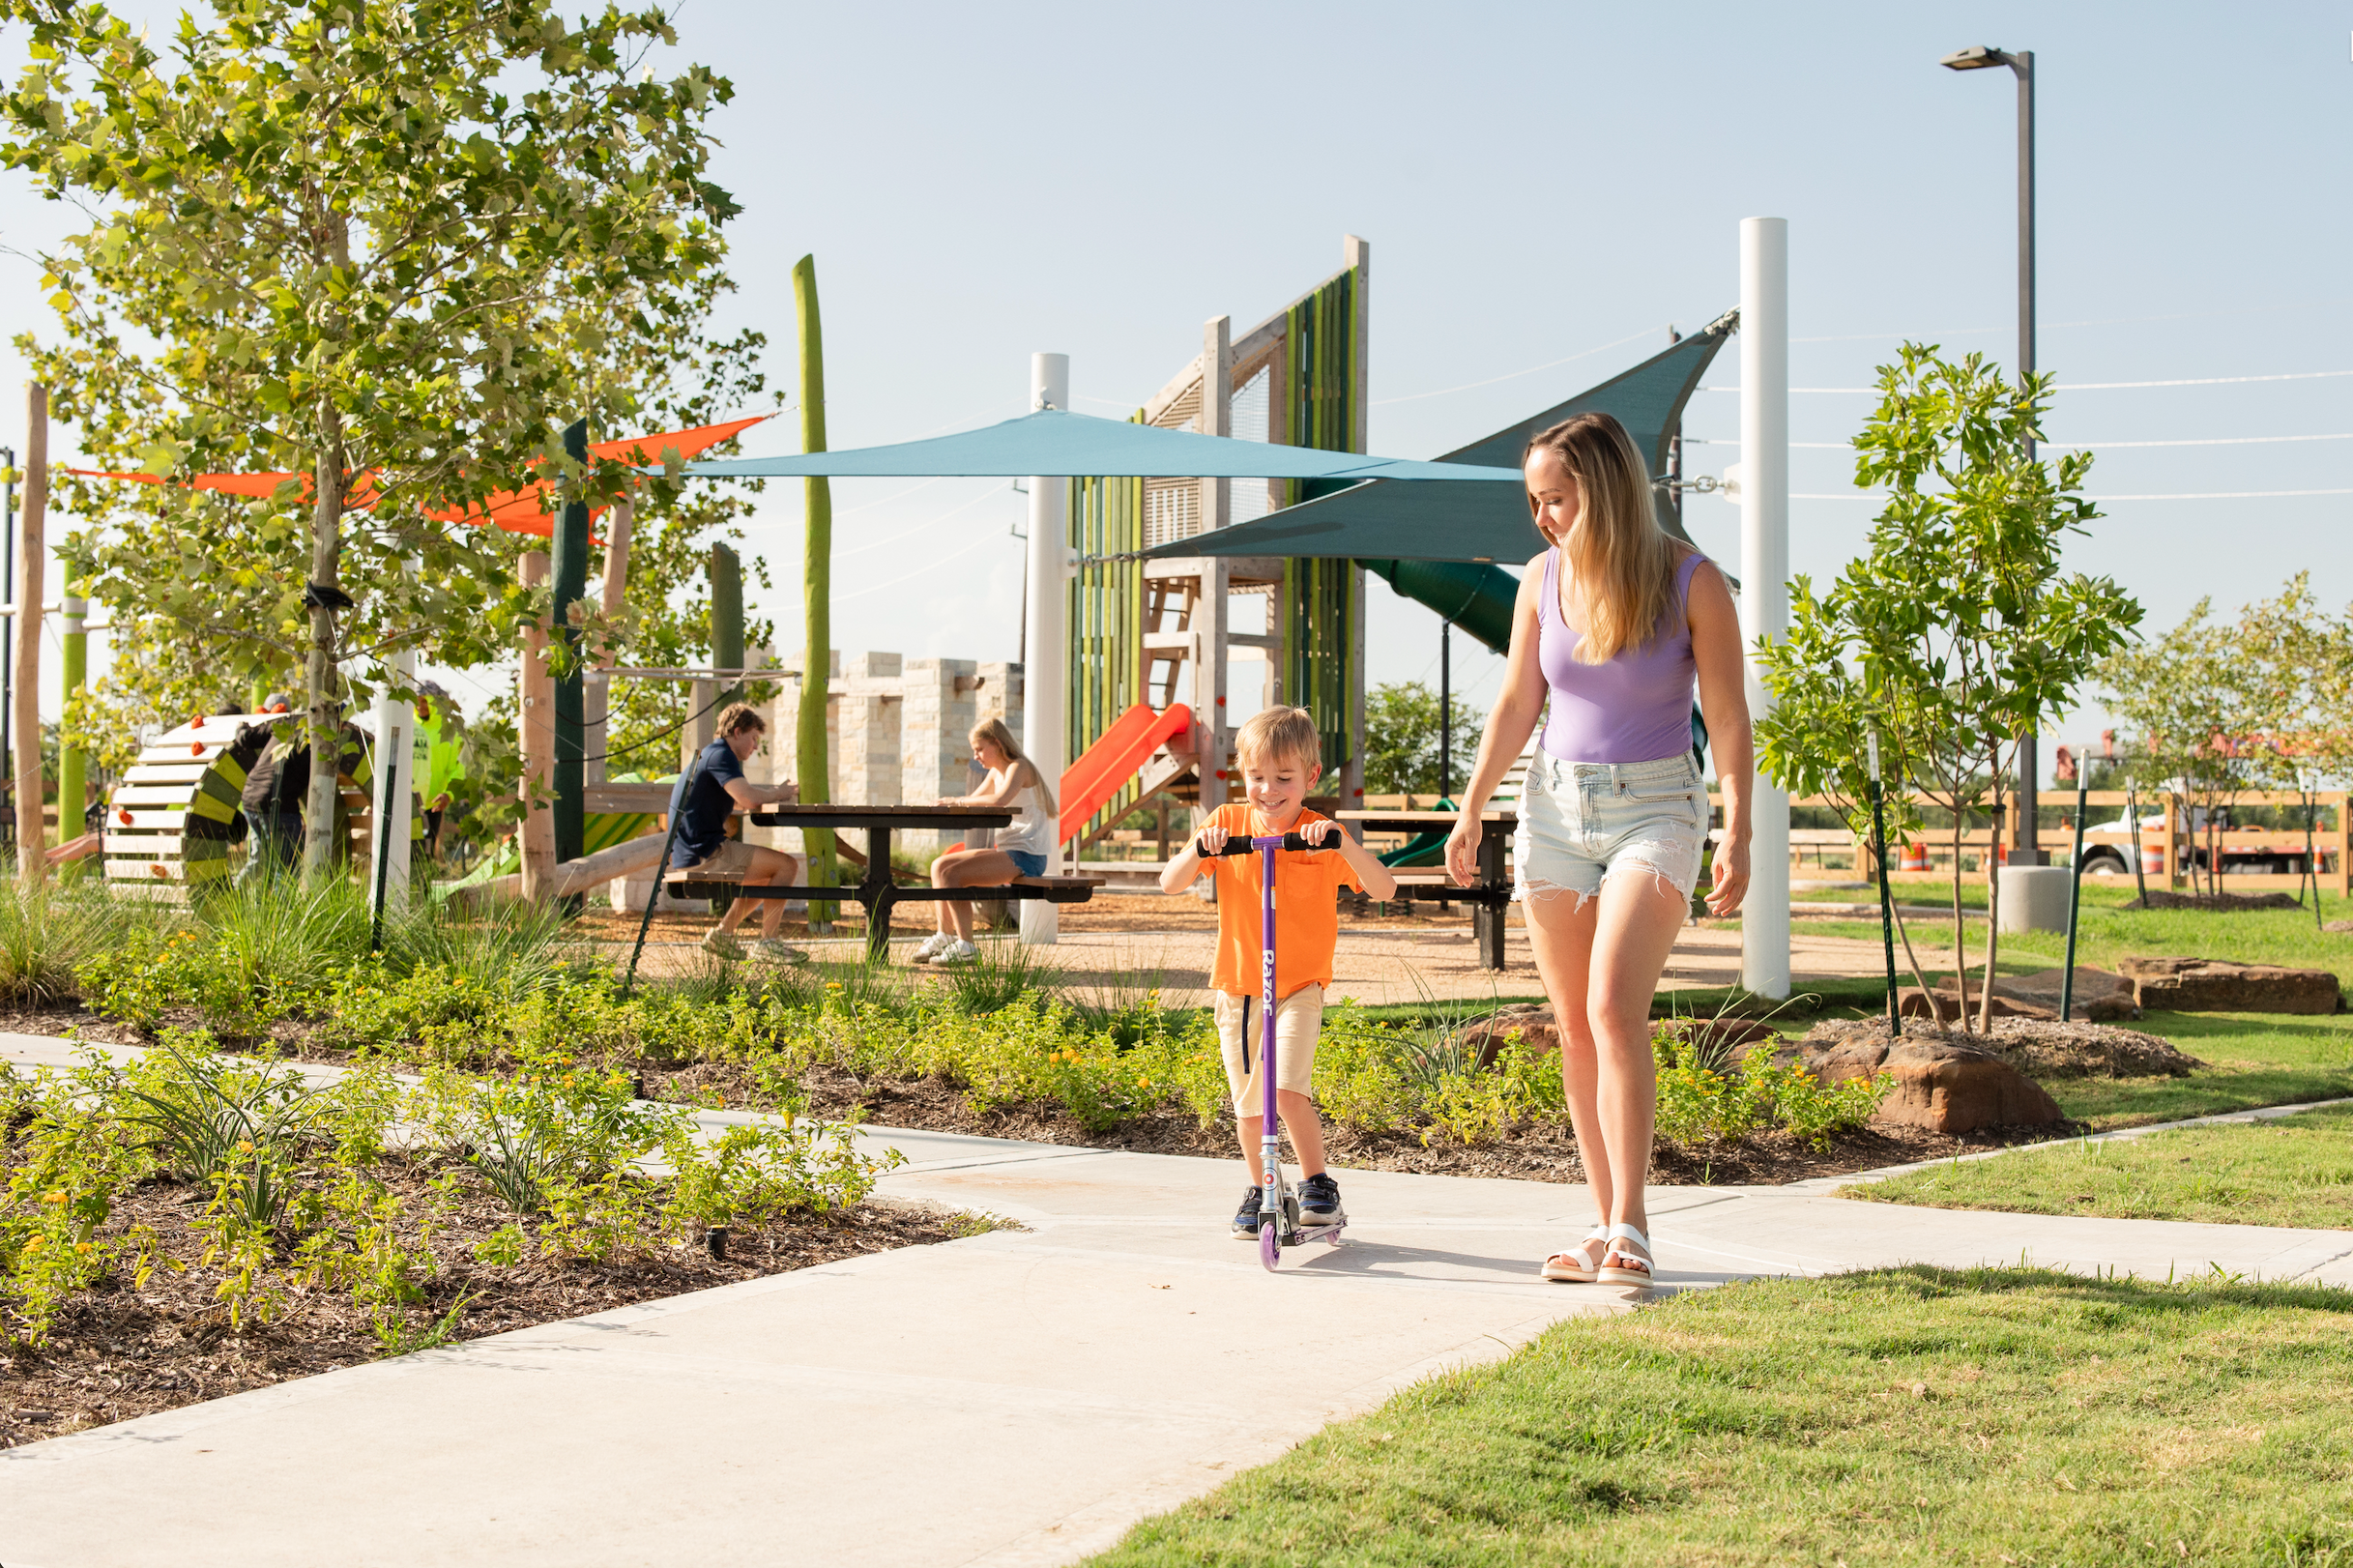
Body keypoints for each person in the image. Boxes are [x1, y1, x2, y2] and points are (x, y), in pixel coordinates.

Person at [1444, 411, 1752, 1289]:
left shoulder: (1692, 581)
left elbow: (1727, 715)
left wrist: (1741, 826)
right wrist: (1474, 811)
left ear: (1606, 489)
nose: (1541, 517)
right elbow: (1515, 704)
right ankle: (1601, 1221)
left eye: (1557, 498)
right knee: (1574, 1026)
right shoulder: (1541, 579)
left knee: (1616, 1011)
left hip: (1657, 805)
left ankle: (1634, 1226)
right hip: (1552, 809)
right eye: (1534, 500)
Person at [1160, 705, 1398, 1237]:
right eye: (1257, 777)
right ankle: (1264, 1185)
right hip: (1239, 987)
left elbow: (1384, 889)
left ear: (1311, 777)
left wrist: (1344, 842)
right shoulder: (1226, 823)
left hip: (1297, 987)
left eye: (1284, 778)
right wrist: (1200, 848)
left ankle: (1317, 1184)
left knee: (1286, 1091)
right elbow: (1169, 882)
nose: (1269, 790)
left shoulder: (1320, 834)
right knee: (1248, 1106)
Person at [671, 702, 807, 964]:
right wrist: (779, 793)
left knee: (766, 876)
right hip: (704, 852)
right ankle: (768, 943)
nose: (755, 746)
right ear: (736, 732)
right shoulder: (722, 755)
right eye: (753, 738)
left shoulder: (711, 754)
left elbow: (732, 799)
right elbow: (748, 799)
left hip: (692, 848)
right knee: (786, 866)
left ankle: (724, 934)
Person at [914, 718, 1058, 967]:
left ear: (997, 744)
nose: (976, 756)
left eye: (979, 748)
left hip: (1027, 856)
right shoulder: (995, 772)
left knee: (952, 877)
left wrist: (957, 801)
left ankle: (967, 946)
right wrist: (950, 803)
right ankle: (945, 935)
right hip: (1008, 851)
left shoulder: (1019, 767)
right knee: (939, 866)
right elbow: (972, 801)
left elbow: (999, 800)